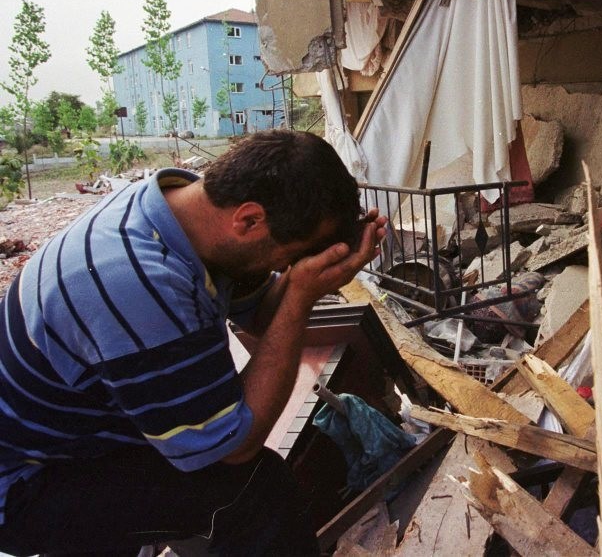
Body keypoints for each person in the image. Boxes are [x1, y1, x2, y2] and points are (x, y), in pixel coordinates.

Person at [0, 129, 387, 556]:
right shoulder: (142, 283)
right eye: (291, 254)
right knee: (252, 491)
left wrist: (308, 277)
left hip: (62, 435)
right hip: (22, 483)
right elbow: (233, 446)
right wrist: (300, 295)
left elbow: (261, 318)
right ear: (249, 220)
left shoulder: (181, 215)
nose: (287, 265)